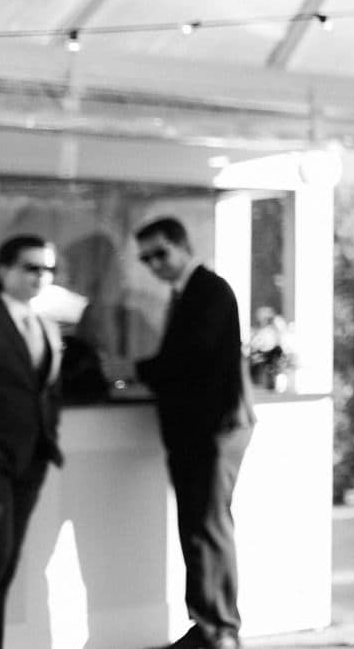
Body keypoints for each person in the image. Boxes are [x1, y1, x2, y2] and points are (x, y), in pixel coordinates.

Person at [133, 216, 255, 649]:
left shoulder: (209, 290)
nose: (154, 264)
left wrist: (136, 370)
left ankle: (220, 628)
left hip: (215, 428)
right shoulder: (189, 293)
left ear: (183, 247)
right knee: (198, 525)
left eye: (160, 253)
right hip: (199, 429)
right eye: (146, 259)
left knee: (208, 525)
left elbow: (190, 357)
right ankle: (207, 623)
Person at [0, 235, 63, 649]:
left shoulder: (45, 324)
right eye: (31, 267)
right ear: (4, 271)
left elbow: (45, 390)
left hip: (31, 462)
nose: (41, 276)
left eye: (48, 269)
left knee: (6, 565)